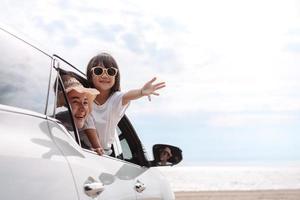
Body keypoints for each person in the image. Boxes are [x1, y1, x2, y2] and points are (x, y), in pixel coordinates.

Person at [81, 52, 166, 155]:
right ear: (90, 76)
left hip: (103, 153)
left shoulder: (115, 99)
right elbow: (88, 126)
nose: (104, 75)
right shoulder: (84, 98)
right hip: (83, 148)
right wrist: (97, 147)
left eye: (110, 71)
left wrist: (141, 92)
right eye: (98, 71)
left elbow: (127, 95)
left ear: (116, 77)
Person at [55, 75, 103, 155]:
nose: (83, 108)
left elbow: (98, 149)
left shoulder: (87, 118)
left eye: (85, 102)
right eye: (75, 102)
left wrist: (95, 151)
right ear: (64, 104)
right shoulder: (56, 120)